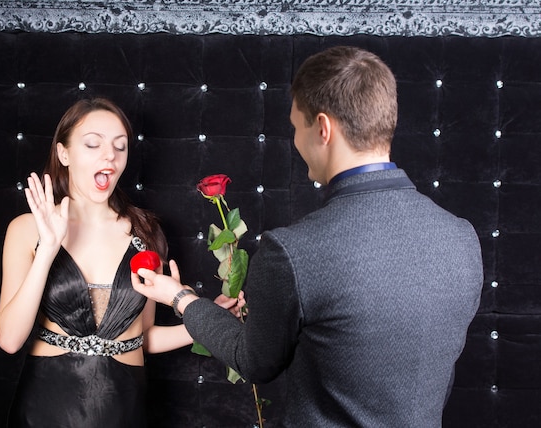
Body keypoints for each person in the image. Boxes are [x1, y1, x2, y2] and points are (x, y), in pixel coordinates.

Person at [132, 46, 484, 427]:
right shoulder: (462, 238)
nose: (297, 142)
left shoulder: (293, 251)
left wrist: (179, 297)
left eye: (296, 127)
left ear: (323, 128)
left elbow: (253, 361)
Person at [0, 97, 240, 427]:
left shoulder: (145, 233)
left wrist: (207, 322)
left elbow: (145, 337)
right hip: (47, 407)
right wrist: (48, 249)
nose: (109, 155)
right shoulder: (26, 229)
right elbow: (9, 340)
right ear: (63, 153)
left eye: (120, 146)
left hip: (124, 408)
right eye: (93, 144)